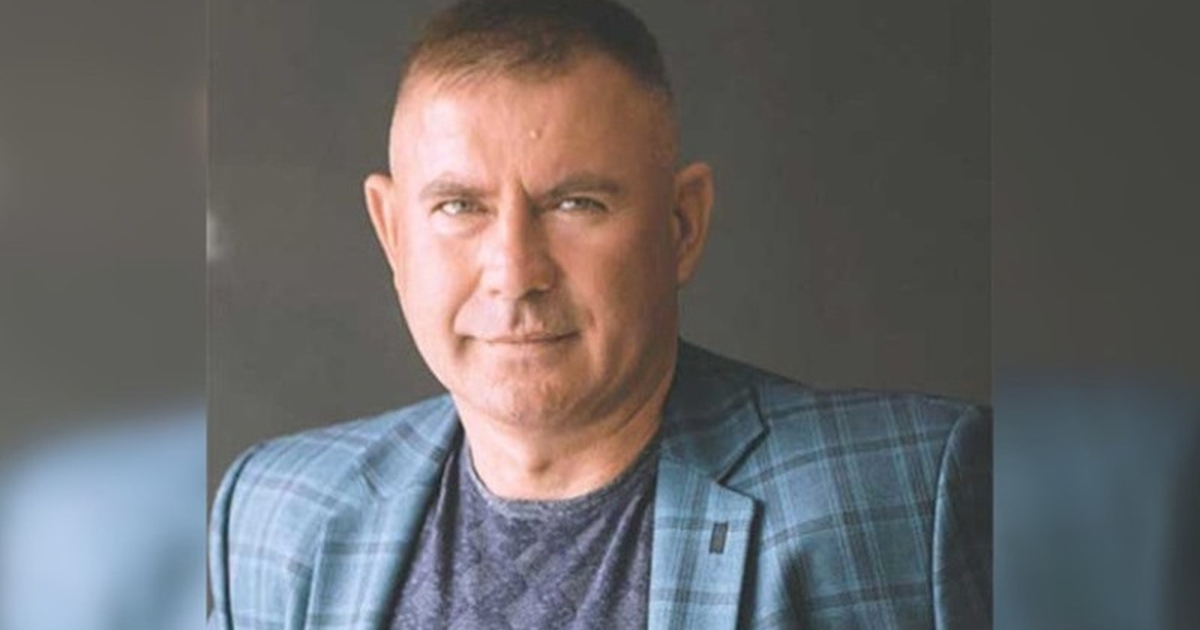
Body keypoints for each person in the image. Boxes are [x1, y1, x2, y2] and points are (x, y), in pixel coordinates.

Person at [207, 0, 991, 628]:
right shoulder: (274, 516)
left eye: (575, 203)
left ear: (681, 226)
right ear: (392, 232)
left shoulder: (911, 495)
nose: (515, 273)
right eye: (459, 206)